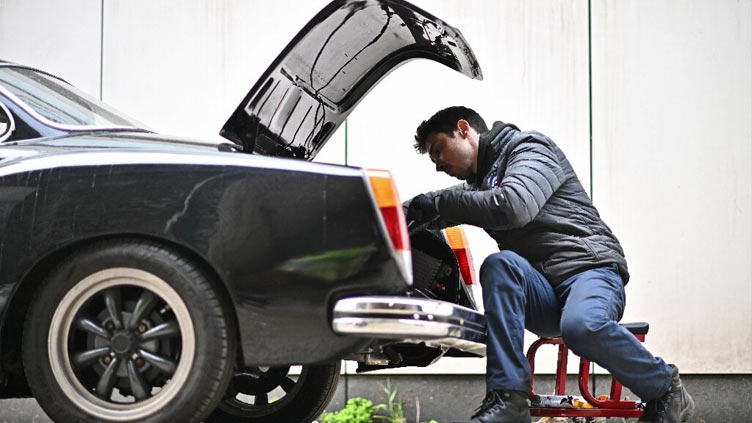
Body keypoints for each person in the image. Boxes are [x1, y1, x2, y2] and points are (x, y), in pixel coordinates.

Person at [405, 106, 694, 423]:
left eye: (438, 151)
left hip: (589, 270)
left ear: (463, 129)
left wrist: (437, 204)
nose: (438, 165)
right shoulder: (476, 187)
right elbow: (428, 208)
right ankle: (509, 398)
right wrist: (388, 213)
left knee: (581, 326)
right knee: (501, 265)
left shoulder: (529, 148)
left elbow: (515, 206)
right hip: (545, 293)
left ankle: (665, 387)